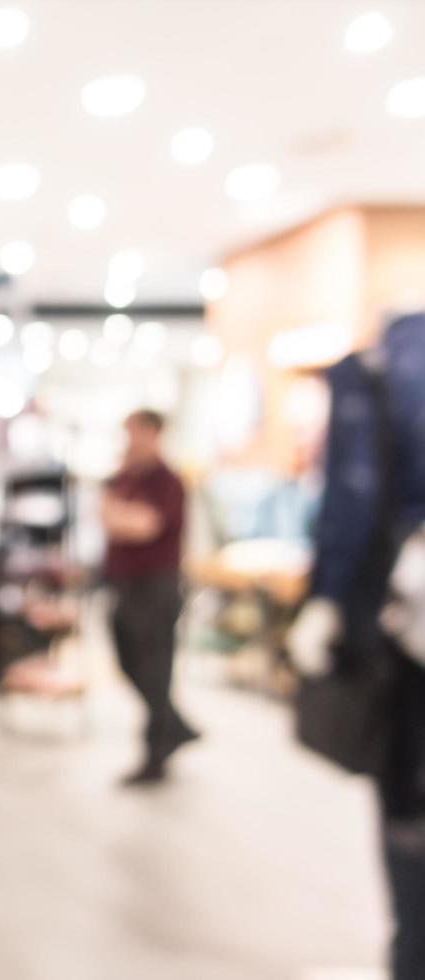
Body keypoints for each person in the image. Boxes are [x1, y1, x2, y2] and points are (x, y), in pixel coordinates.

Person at [288, 313, 425, 979]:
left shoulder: (373, 375)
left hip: (406, 649)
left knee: (410, 827)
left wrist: (328, 598)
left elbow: (353, 496)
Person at [101, 410, 199, 786]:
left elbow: (144, 526)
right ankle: (175, 727)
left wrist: (120, 518)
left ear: (154, 433)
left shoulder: (167, 481)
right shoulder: (124, 478)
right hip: (124, 583)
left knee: (156, 670)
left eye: (136, 431)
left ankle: (156, 754)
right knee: (128, 661)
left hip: (155, 585)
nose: (130, 439)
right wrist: (121, 517)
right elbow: (109, 517)